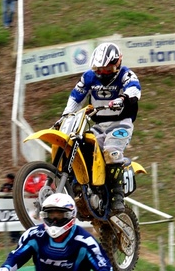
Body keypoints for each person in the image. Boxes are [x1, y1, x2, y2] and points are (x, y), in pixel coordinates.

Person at [60, 42, 141, 215]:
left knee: (111, 151)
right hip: (98, 125)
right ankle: (84, 190)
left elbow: (135, 89)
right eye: (99, 69)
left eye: (107, 69)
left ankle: (117, 197)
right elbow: (75, 97)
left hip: (121, 123)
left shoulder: (126, 74)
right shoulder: (89, 77)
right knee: (81, 147)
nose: (102, 73)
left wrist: (123, 98)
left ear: (118, 63)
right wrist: (66, 115)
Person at [0, 173, 21, 244]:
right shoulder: (5, 185)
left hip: (15, 206)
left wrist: (11, 191)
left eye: (7, 178)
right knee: (10, 221)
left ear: (11, 179)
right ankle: (12, 237)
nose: (6, 180)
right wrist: (4, 191)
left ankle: (17, 236)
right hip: (7, 206)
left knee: (16, 221)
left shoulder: (16, 185)